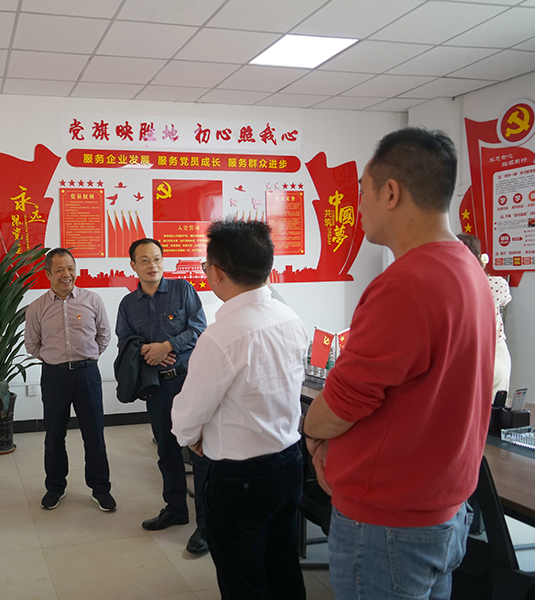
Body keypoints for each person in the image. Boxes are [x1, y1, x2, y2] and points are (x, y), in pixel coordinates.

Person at [304, 128, 495, 600]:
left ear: (391, 193)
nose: (358, 206)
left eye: (362, 192)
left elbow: (341, 405)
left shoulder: (405, 284)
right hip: (443, 510)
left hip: (388, 525)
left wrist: (312, 434)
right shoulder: (469, 270)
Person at [172, 219, 309, 599]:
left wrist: (190, 438)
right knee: (282, 565)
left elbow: (189, 413)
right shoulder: (290, 318)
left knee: (242, 580)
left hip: (240, 477)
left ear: (216, 272)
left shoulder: (221, 336)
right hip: (289, 462)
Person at [115, 238, 210, 556]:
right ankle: (175, 508)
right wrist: (148, 350)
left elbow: (199, 328)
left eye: (156, 258)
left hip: (189, 381)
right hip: (156, 386)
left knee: (199, 451)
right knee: (166, 450)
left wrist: (167, 346)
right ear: (133, 265)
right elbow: (124, 340)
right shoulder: (128, 304)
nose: (152, 265)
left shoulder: (183, 289)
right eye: (144, 260)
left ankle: (206, 524)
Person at [25, 248, 116, 512]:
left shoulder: (92, 300)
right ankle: (55, 487)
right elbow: (32, 345)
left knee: (94, 434)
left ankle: (100, 489)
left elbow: (104, 335)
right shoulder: (37, 307)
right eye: (60, 270)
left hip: (88, 374)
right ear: (48, 274)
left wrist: (87, 358)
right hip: (54, 376)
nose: (67, 274)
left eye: (71, 268)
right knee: (54, 434)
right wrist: (56, 360)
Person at [457, 232, 512, 400]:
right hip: (496, 353)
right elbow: (505, 300)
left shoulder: (449, 285)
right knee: (497, 408)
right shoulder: (498, 284)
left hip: (463, 355)